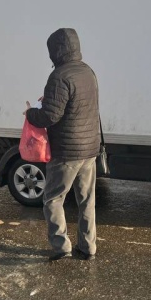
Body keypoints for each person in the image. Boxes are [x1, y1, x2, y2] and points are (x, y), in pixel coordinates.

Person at [25, 28, 100, 261]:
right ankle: (88, 247)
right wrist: (50, 100)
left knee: (53, 198)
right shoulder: (87, 71)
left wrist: (30, 113)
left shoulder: (59, 75)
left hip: (67, 151)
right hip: (89, 149)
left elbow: (50, 117)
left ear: (55, 51)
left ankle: (62, 247)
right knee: (86, 200)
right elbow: (75, 104)